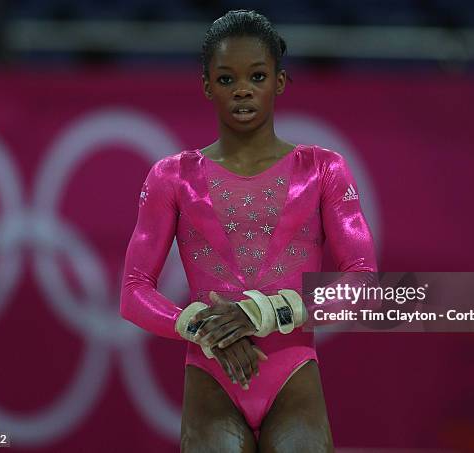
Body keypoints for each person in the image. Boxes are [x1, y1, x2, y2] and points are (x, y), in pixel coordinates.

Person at [120, 10, 377, 452]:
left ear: (279, 82)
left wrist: (258, 313)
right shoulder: (172, 177)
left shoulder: (321, 170)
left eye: (257, 76)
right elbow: (133, 291)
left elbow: (363, 280)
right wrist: (204, 328)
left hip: (292, 373)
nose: (242, 89)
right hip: (210, 376)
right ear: (206, 86)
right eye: (225, 80)